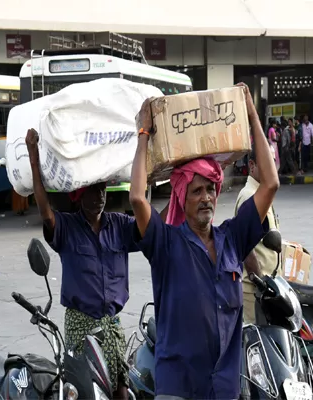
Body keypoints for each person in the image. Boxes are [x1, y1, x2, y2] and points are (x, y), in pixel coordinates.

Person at [128, 82, 279, 400]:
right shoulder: (165, 244)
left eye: (211, 189)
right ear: (182, 197)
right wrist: (143, 133)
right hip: (178, 389)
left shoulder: (232, 239)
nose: (207, 197)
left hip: (223, 388)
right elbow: (138, 199)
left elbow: (270, 183)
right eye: (197, 191)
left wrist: (251, 114)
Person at [25, 128, 167, 399]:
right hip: (81, 328)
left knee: (121, 393)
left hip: (112, 327)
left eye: (102, 190)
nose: (100, 197)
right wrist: (33, 155)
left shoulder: (119, 225)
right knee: (85, 393)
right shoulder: (67, 227)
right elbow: (44, 210)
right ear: (79, 196)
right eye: (92, 192)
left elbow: (151, 226)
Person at [235, 148, 281, 324]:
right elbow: (246, 248)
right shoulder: (249, 196)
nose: (272, 167)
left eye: (273, 162)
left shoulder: (262, 194)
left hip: (268, 285)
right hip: (256, 289)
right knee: (258, 343)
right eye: (266, 162)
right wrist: (261, 282)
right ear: (252, 165)